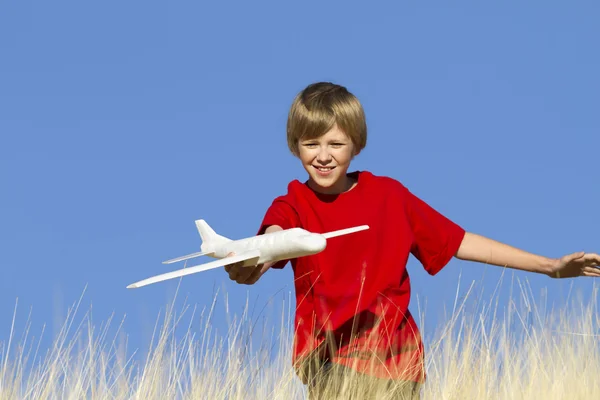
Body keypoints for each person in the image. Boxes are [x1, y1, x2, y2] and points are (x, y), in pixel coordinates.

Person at [223, 82, 600, 399]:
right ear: (294, 145)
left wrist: (549, 267)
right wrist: (252, 261)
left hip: (401, 366)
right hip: (332, 364)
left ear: (356, 144)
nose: (323, 156)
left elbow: (458, 241)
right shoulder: (293, 202)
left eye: (335, 144)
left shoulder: (389, 197)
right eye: (311, 144)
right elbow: (274, 240)